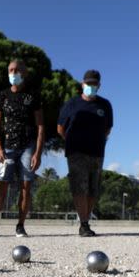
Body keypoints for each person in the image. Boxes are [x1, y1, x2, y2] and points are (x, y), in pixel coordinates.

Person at [0, 59, 44, 237]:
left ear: (24, 73)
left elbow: (40, 126)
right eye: (10, 70)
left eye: (16, 70)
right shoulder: (2, 96)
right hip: (7, 148)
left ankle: (20, 225)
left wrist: (38, 152)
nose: (13, 74)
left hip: (28, 147)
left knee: (26, 186)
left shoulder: (33, 96)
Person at [57, 70, 113, 237]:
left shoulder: (105, 105)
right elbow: (60, 128)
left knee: (92, 189)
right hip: (76, 151)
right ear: (83, 84)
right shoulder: (72, 104)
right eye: (88, 84)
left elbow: (108, 128)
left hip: (97, 151)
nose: (91, 86)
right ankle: (84, 224)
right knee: (80, 187)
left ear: (99, 85)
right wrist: (72, 140)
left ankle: (86, 220)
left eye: (94, 84)